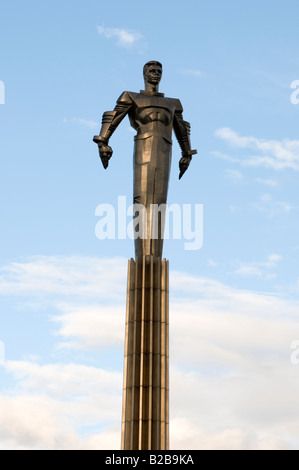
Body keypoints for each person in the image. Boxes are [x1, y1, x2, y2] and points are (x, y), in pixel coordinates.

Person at [93, 61, 197, 259]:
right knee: (141, 199)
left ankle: (154, 256)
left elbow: (182, 130)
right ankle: (143, 256)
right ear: (144, 74)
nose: (155, 74)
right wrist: (103, 141)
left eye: (159, 71)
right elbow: (112, 118)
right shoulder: (132, 97)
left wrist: (187, 153)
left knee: (160, 201)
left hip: (165, 150)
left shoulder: (173, 104)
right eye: (152, 71)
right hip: (143, 148)